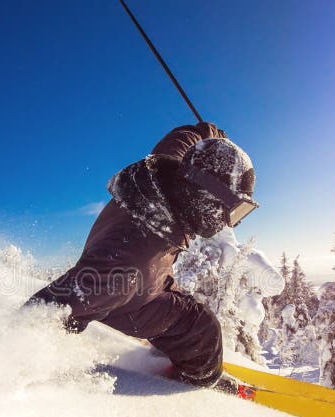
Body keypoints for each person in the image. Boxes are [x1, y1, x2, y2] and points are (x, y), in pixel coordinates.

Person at [28, 122, 258, 387]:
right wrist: (7, 357)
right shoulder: (127, 262)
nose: (231, 223)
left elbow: (187, 136)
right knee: (202, 329)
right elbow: (52, 308)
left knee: (188, 312)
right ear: (205, 197)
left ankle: (176, 354)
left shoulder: (167, 171)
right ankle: (196, 385)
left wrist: (213, 135)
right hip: (134, 301)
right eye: (235, 209)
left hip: (151, 277)